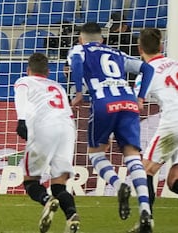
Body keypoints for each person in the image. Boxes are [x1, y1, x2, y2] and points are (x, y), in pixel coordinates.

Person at [68, 22, 154, 233]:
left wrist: (79, 92)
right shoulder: (117, 53)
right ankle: (145, 210)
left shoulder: (80, 49)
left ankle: (118, 186)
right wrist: (141, 96)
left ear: (81, 39)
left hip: (104, 101)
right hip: (129, 102)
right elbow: (147, 67)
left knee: (96, 154)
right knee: (133, 155)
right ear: (102, 39)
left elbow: (77, 64)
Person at [14, 52, 80, 233]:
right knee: (59, 183)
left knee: (30, 181)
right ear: (48, 72)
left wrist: (21, 121)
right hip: (67, 130)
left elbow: (21, 97)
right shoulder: (58, 86)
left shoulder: (24, 81)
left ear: (29, 70)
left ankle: (47, 200)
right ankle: (71, 215)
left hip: (44, 128)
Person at [127, 28, 178, 233]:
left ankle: (145, 224)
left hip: (174, 122)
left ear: (140, 50)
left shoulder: (146, 72)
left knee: (144, 170)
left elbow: (135, 104)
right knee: (175, 180)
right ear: (161, 47)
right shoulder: (174, 63)